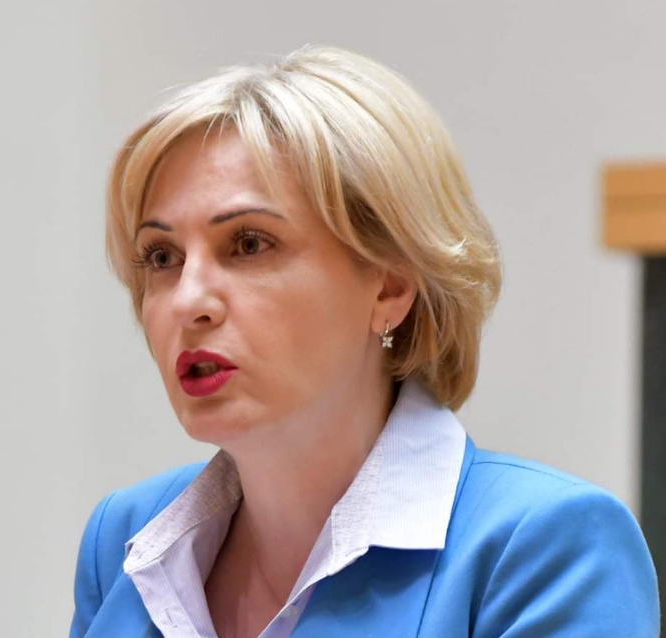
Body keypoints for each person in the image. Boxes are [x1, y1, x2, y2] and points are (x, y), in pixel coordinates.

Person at [69, 45, 660, 638]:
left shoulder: (544, 547)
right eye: (161, 257)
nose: (188, 300)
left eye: (249, 244)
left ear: (390, 287)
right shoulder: (122, 541)